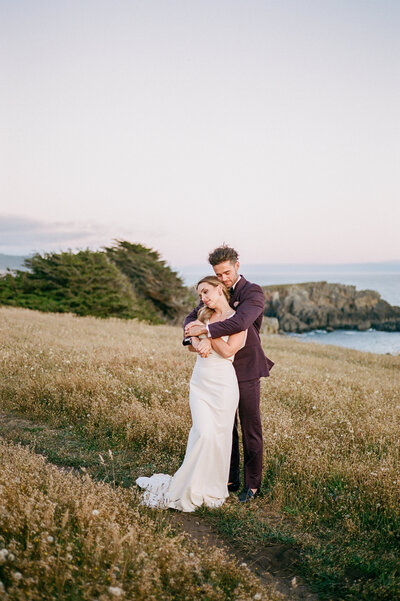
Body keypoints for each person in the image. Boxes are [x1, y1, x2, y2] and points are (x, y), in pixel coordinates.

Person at [136, 276, 247, 512]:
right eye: (200, 295)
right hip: (201, 383)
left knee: (219, 438)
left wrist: (209, 336)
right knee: (203, 432)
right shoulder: (204, 314)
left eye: (206, 292)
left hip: (224, 386)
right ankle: (187, 485)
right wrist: (198, 341)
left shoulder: (238, 320)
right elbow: (189, 344)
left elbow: (228, 351)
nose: (203, 298)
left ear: (219, 290)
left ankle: (210, 486)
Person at [184, 245, 274, 502]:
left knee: (250, 426)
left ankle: (253, 485)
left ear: (237, 265)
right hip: (216, 372)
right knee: (225, 426)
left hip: (245, 368)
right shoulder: (212, 291)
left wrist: (205, 332)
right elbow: (190, 318)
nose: (223, 278)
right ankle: (229, 477)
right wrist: (190, 335)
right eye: (218, 274)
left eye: (226, 272)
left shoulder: (252, 292)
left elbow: (240, 322)